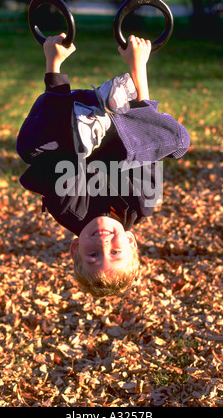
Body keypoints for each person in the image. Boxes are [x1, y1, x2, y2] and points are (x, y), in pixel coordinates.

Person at [16, 33, 190, 298]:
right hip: (123, 119)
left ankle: (95, 124)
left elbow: (54, 130)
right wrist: (138, 65)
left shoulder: (66, 208)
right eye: (115, 252)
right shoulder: (144, 203)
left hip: (72, 114)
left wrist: (54, 64)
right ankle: (108, 117)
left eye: (93, 254)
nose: (103, 242)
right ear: (131, 242)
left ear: (75, 249)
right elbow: (149, 129)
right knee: (178, 141)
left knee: (31, 147)